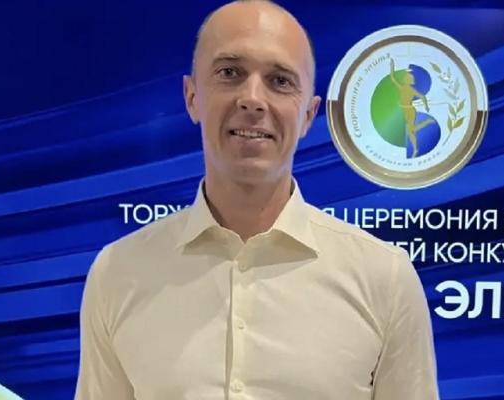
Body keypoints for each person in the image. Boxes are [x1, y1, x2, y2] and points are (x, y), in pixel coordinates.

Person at [75, 1, 439, 399]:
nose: (252, 99)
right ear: (192, 97)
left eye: (280, 81)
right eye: (230, 73)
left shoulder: (384, 278)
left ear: (308, 115)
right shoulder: (119, 273)